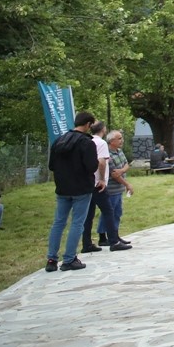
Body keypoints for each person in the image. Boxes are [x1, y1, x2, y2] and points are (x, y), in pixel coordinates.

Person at [45, 111, 99, 272]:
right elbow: (92, 166)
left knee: (58, 222)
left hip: (62, 188)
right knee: (77, 222)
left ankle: (51, 259)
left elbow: (51, 166)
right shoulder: (87, 143)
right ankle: (69, 259)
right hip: (81, 188)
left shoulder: (59, 141)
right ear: (88, 125)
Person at [79, 120, 111, 254]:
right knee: (109, 211)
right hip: (98, 183)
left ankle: (86, 243)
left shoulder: (86, 141)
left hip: (87, 182)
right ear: (103, 129)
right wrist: (102, 179)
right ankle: (114, 239)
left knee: (88, 215)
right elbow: (102, 162)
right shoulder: (101, 143)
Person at [97, 130, 134, 250]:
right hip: (111, 188)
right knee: (109, 213)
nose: (122, 140)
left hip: (119, 188)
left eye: (121, 138)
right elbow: (114, 175)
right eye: (119, 138)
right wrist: (127, 184)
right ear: (111, 141)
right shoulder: (107, 153)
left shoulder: (119, 151)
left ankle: (115, 235)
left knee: (117, 212)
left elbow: (126, 164)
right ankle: (103, 237)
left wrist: (122, 170)